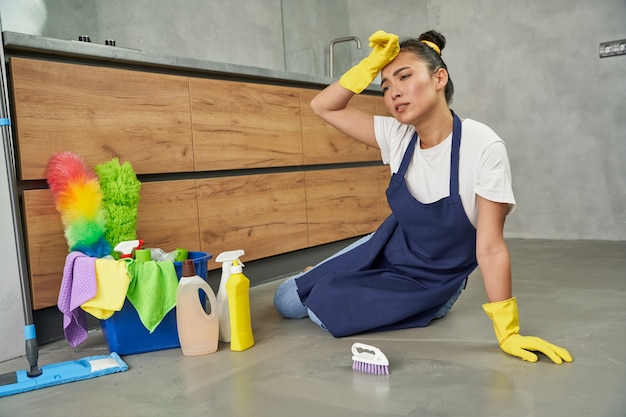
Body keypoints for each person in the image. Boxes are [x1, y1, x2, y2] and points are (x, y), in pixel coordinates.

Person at [273, 29, 572, 364]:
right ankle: (339, 271)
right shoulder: (397, 135)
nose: (394, 92)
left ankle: (341, 276)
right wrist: (371, 65)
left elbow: (488, 247)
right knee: (285, 300)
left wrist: (509, 331)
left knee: (323, 315)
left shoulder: (482, 145)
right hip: (389, 245)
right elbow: (323, 106)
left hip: (434, 280)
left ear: (439, 78)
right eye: (385, 86)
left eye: (404, 77)